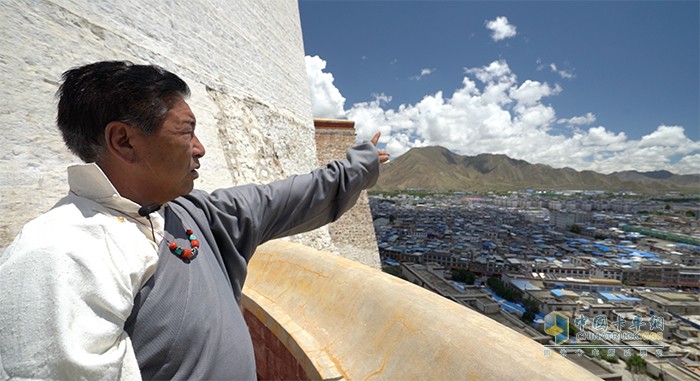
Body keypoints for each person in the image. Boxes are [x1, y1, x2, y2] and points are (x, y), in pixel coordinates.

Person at [0, 61, 389, 380]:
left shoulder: (193, 214)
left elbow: (286, 198)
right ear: (124, 141)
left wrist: (361, 165)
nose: (200, 149)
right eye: (187, 133)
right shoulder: (57, 254)